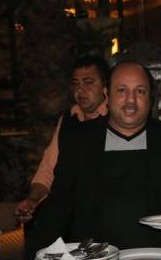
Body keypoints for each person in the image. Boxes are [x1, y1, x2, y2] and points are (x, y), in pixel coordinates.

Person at [10, 60, 161, 260]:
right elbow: (58, 207)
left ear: (151, 98)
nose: (131, 101)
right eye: (122, 90)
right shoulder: (79, 140)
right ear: (107, 94)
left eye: (140, 91)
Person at [14, 55, 109, 223]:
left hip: (100, 215)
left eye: (88, 82)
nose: (80, 90)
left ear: (105, 86)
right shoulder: (68, 119)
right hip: (64, 213)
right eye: (76, 83)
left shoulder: (115, 120)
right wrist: (32, 200)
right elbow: (47, 170)